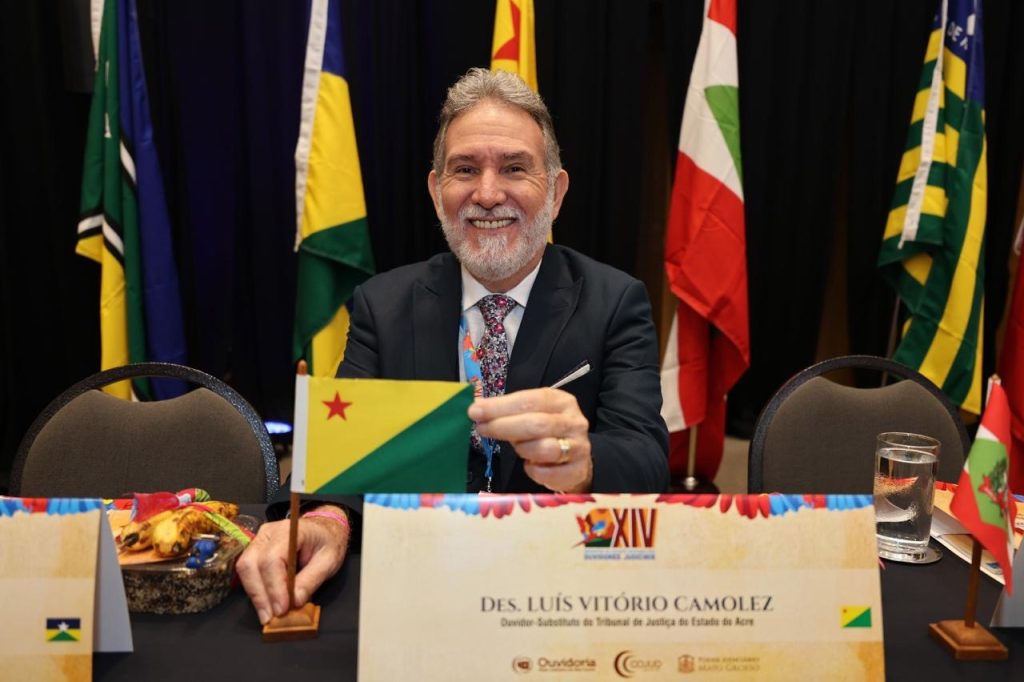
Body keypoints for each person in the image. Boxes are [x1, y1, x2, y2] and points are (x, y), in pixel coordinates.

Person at [237, 68, 669, 626]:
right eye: (465, 170)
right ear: (436, 192)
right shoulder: (381, 305)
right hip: (419, 586)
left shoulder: (615, 302)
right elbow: (342, 458)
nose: (487, 194)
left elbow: (645, 462)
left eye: (514, 168)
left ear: (557, 192)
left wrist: (583, 466)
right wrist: (328, 520)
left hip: (557, 588)